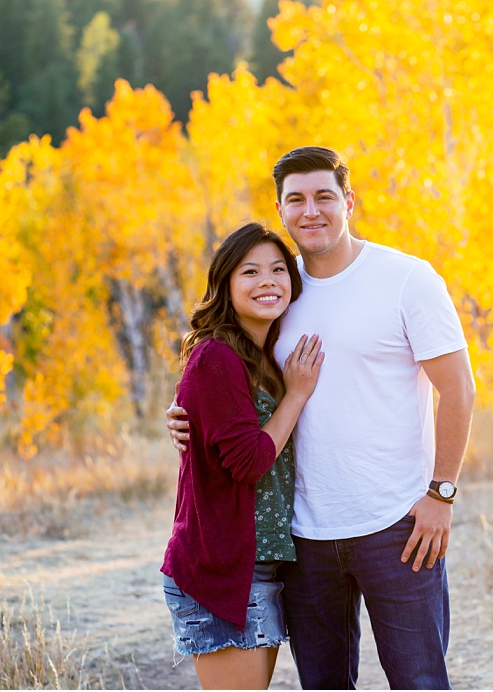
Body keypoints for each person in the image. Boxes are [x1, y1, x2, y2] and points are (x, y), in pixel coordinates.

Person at [167, 146, 475, 689]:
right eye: (296, 200)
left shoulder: (406, 278)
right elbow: (228, 379)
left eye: (324, 197)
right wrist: (184, 416)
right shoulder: (280, 295)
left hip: (397, 525)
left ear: (349, 201)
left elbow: (458, 389)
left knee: (420, 680)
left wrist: (441, 495)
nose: (311, 210)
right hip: (304, 535)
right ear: (281, 211)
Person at [161, 222, 325, 690]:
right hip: (224, 570)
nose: (268, 281)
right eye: (250, 271)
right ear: (225, 285)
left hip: (259, 564)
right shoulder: (217, 356)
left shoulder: (262, 355)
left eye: (278, 269)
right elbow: (249, 462)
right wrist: (296, 394)